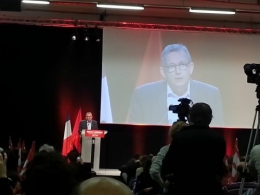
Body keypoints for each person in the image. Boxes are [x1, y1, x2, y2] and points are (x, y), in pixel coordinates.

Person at [127, 44, 223, 127]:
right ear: (163, 72)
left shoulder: (211, 94)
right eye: (172, 67)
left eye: (182, 65)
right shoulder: (143, 95)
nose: (178, 72)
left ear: (190, 68)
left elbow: (218, 130)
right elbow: (134, 133)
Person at [161, 103, 226, 195]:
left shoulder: (180, 137)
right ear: (210, 118)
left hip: (182, 188)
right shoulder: (219, 138)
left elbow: (167, 166)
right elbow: (220, 167)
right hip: (211, 189)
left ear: (190, 117)